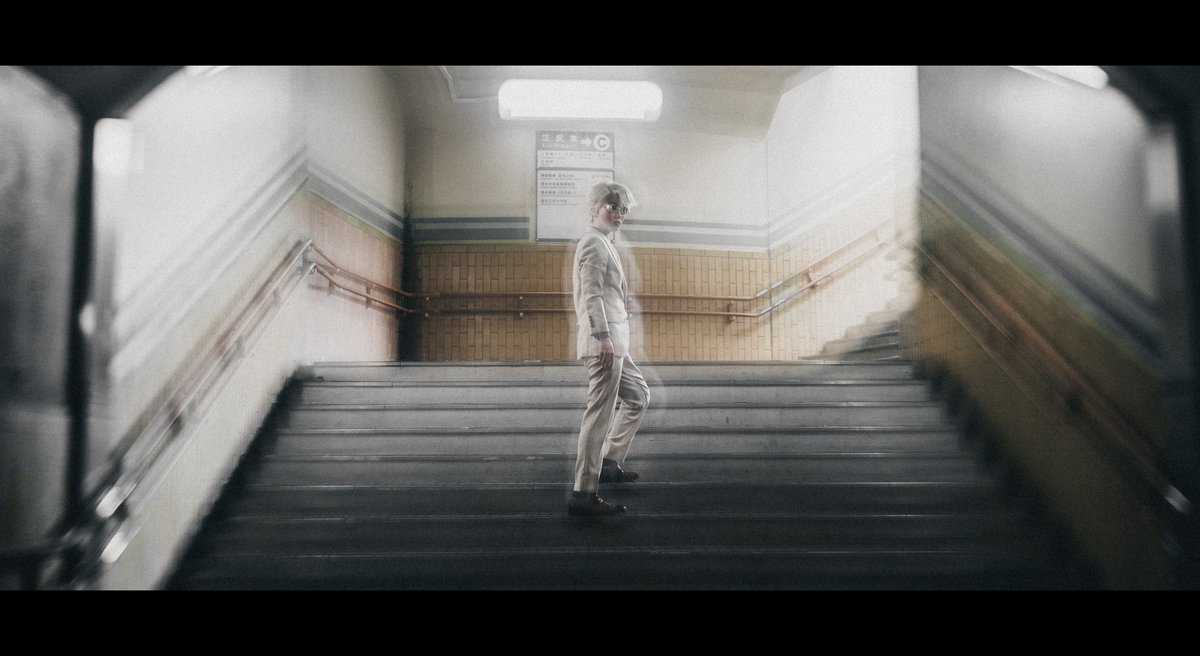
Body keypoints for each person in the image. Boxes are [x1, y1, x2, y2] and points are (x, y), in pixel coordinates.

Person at [567, 181, 650, 516]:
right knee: (598, 417)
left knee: (639, 395)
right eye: (613, 206)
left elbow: (605, 291)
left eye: (624, 209)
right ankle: (584, 495)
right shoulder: (593, 243)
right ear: (595, 207)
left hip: (616, 343)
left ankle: (609, 462)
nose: (619, 214)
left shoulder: (604, 242)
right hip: (604, 343)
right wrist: (602, 336)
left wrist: (622, 302)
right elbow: (591, 295)